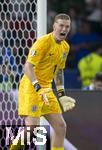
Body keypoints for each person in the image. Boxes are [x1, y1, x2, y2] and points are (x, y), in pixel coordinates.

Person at [10, 13, 76, 150]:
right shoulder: (43, 42)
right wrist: (38, 87)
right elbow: (27, 67)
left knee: (60, 126)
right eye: (61, 25)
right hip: (31, 87)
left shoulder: (65, 47)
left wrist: (62, 94)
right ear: (54, 26)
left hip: (46, 88)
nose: (64, 29)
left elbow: (59, 71)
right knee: (32, 128)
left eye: (67, 26)